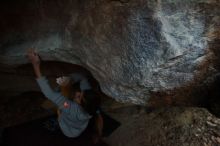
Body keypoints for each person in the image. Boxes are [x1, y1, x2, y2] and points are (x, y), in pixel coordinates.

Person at [26, 48, 103, 144]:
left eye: (79, 97)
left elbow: (49, 93)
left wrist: (35, 65)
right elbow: (83, 78)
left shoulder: (71, 107)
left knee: (61, 108)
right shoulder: (92, 105)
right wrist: (69, 79)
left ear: (82, 105)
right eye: (81, 93)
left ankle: (58, 120)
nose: (77, 93)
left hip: (68, 130)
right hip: (80, 126)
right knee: (64, 103)